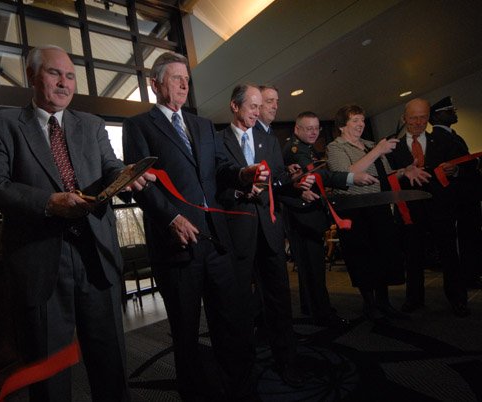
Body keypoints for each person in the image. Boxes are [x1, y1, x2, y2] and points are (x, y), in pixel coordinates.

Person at [0, 44, 154, 402]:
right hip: (41, 264)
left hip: (96, 258)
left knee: (111, 363)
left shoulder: (92, 124)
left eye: (70, 75)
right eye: (55, 73)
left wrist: (126, 176)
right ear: (32, 76)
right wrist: (48, 203)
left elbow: (110, 167)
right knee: (49, 370)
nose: (64, 82)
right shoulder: (1, 125)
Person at [122, 53, 268, 401]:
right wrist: (170, 219)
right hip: (176, 244)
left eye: (186, 78)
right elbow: (142, 184)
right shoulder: (138, 126)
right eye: (175, 78)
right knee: (185, 334)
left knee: (229, 325)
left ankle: (238, 390)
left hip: (216, 242)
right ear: (155, 84)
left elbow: (219, 170)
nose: (185, 84)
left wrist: (240, 174)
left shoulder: (203, 125)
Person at [216, 84, 314, 386]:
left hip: (270, 233)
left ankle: (288, 363)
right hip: (238, 234)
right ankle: (242, 370)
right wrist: (240, 188)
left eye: (261, 106)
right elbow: (218, 183)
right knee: (239, 307)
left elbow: (279, 181)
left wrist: (293, 182)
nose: (258, 112)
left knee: (279, 302)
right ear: (235, 106)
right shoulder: (217, 141)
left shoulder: (268, 140)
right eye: (253, 106)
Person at [326, 104, 428, 322]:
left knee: (384, 255)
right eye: (355, 120)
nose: (361, 124)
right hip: (354, 210)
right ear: (342, 126)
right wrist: (377, 151)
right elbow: (348, 174)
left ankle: (384, 303)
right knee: (363, 257)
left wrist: (404, 171)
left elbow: (386, 175)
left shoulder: (370, 145)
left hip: (379, 206)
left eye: (362, 120)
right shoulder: (336, 147)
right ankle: (370, 305)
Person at [282, 111, 378, 326]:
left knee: (309, 269)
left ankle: (313, 307)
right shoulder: (297, 149)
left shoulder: (306, 148)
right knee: (313, 268)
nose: (313, 132)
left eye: (316, 128)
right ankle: (322, 313)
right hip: (303, 217)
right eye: (308, 128)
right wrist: (351, 177)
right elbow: (317, 176)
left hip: (304, 216)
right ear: (297, 130)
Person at [387, 98, 469, 317]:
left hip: (440, 209)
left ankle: (458, 299)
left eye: (423, 117)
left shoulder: (444, 141)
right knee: (413, 257)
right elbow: (385, 179)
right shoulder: (391, 147)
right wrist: (402, 173)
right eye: (413, 117)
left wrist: (455, 171)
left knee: (450, 255)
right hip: (409, 211)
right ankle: (414, 299)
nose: (418, 122)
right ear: (404, 118)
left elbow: (465, 170)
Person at [429, 96, 482, 289]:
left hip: (468, 196)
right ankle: (464, 277)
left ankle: (471, 274)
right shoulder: (435, 139)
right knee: (462, 241)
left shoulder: (454, 136)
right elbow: (443, 169)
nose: (454, 112)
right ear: (437, 115)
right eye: (449, 109)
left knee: (472, 237)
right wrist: (462, 170)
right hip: (456, 200)